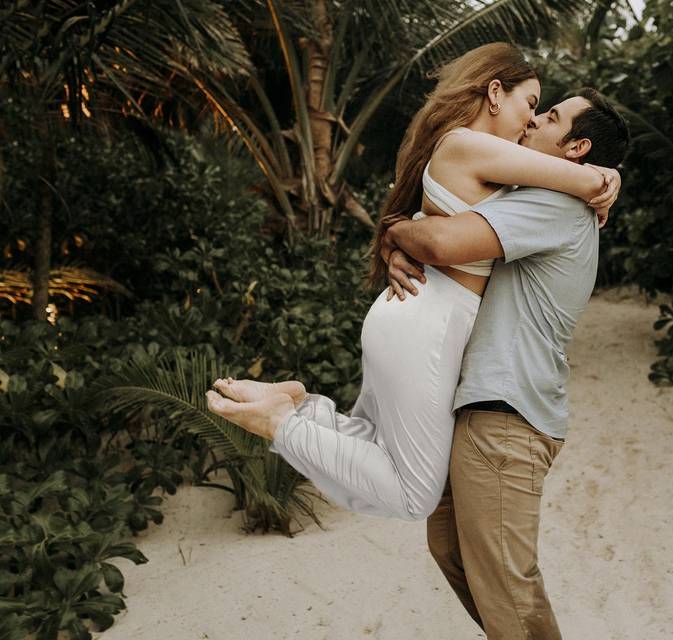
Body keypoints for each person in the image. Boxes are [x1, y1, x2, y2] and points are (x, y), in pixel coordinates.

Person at [203, 42, 621, 522]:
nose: (531, 121)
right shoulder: (470, 144)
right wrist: (606, 179)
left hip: (413, 316)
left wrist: (392, 233)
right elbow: (584, 183)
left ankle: (302, 406)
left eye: (542, 114)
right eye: (531, 105)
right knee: (414, 496)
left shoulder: (479, 155)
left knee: (374, 442)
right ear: (494, 94)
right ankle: (281, 421)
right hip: (429, 325)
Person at [382, 87, 630, 639]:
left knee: (506, 586)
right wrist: (405, 243)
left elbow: (443, 241)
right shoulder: (543, 193)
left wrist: (395, 231)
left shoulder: (555, 204)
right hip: (488, 411)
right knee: (449, 546)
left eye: (553, 115)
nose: (536, 118)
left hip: (506, 418)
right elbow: (445, 231)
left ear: (577, 147)